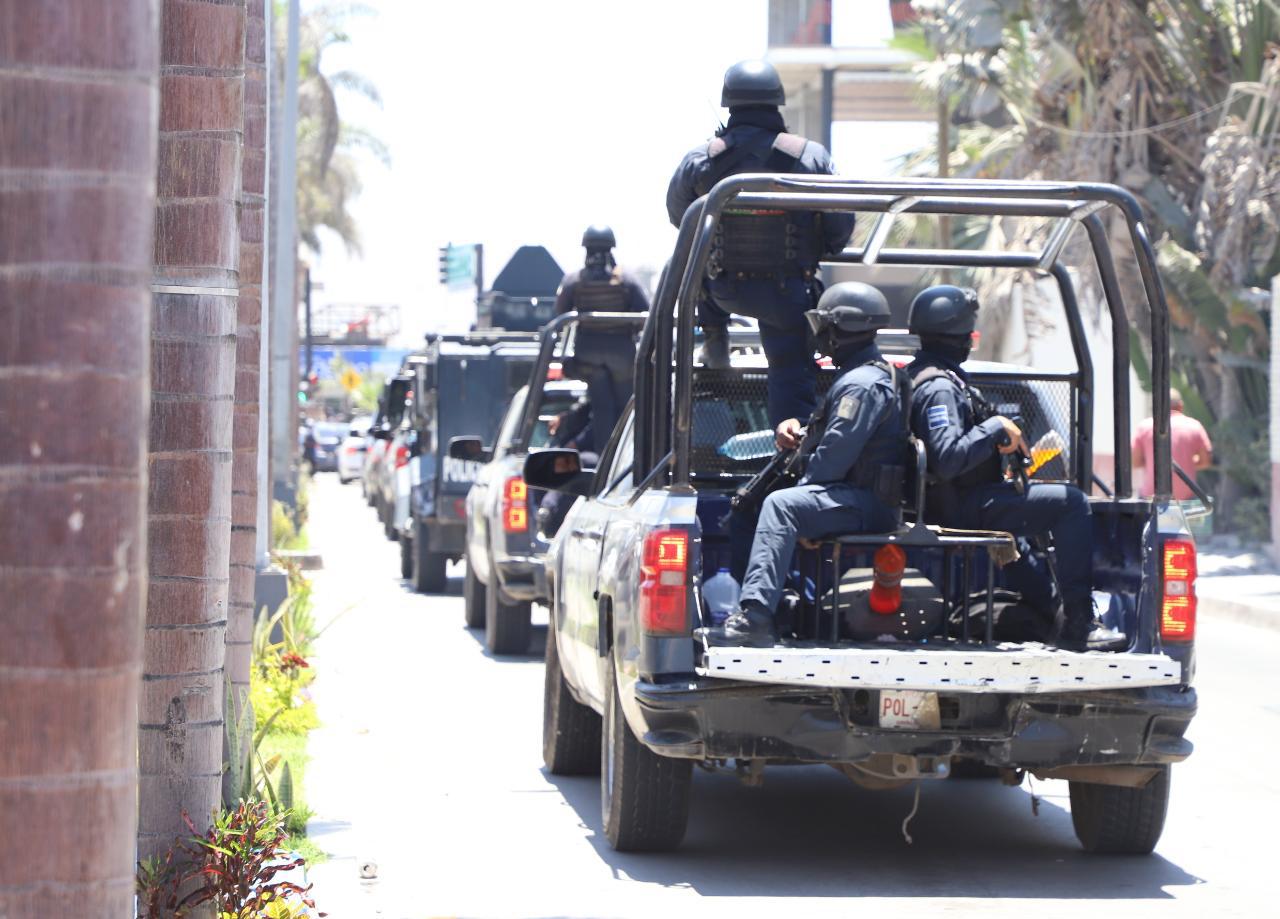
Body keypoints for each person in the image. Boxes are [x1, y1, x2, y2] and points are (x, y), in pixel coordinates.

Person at [905, 284, 1123, 651]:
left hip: (957, 499)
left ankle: (1048, 612)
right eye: (969, 334)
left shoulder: (924, 375)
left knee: (1024, 536)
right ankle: (1079, 625)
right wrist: (995, 428)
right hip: (959, 506)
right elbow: (946, 459)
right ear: (958, 336)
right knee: (1071, 503)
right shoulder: (938, 387)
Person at [666, 59, 857, 427]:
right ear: (777, 102)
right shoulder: (810, 156)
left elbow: (681, 219)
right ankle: (790, 453)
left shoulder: (701, 159)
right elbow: (840, 227)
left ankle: (715, 337)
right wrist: (819, 245)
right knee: (790, 370)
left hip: (721, 289)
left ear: (729, 105)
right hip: (787, 297)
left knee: (696, 267)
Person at [717, 282, 906, 646]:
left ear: (841, 329)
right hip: (853, 495)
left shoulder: (863, 384)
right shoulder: (857, 377)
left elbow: (834, 457)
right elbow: (833, 440)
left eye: (826, 327)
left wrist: (805, 507)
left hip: (866, 501)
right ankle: (781, 608)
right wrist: (799, 431)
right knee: (750, 505)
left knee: (782, 505)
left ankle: (756, 617)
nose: (821, 336)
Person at [553, 224, 649, 452]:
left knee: (603, 411)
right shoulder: (626, 279)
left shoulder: (574, 281)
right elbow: (645, 313)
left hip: (588, 358)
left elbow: (560, 314)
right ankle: (628, 456)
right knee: (626, 410)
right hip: (622, 359)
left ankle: (603, 461)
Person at [1133, 388, 1212, 500]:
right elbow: (1206, 461)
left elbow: (1135, 462)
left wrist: (1157, 462)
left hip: (1151, 497)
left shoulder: (1144, 427)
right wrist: (1185, 462)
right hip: (1185, 500)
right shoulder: (1195, 426)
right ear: (1180, 406)